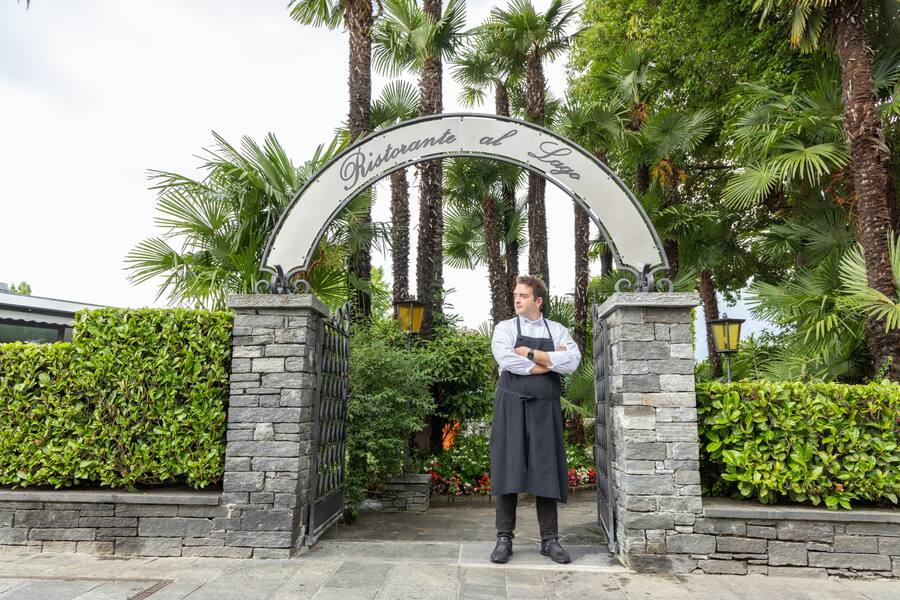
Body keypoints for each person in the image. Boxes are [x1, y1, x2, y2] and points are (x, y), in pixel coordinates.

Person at [488, 275, 582, 564]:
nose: (517, 299)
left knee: (546, 468)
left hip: (545, 407)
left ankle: (549, 540)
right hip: (510, 405)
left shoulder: (557, 329)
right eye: (516, 295)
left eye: (523, 296)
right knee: (508, 466)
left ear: (538, 301)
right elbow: (506, 360)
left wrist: (530, 353)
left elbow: (573, 361)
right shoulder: (504, 328)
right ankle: (504, 537)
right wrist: (548, 363)